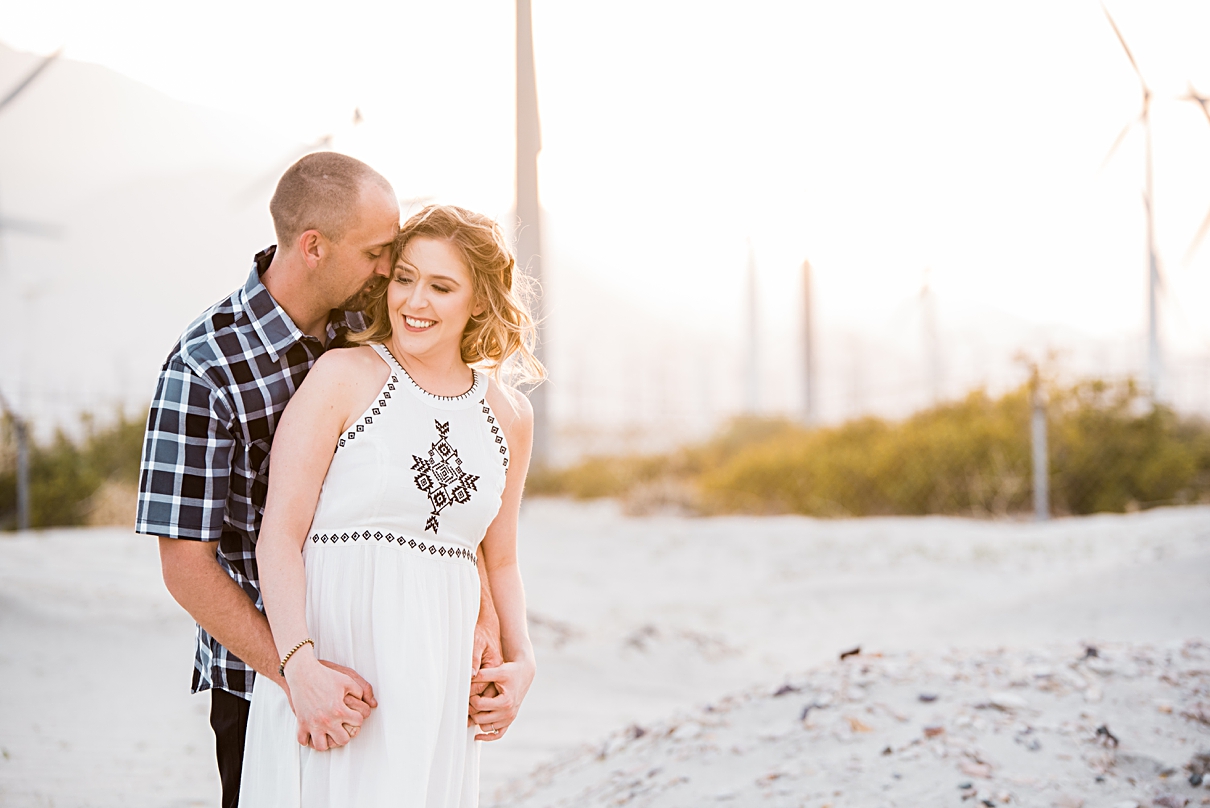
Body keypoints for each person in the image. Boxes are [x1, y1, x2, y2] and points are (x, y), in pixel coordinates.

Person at [135, 153, 509, 808]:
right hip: (264, 678)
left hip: (393, 667)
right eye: (377, 252)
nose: (391, 271)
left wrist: (481, 615)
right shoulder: (205, 366)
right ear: (314, 247)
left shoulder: (370, 321)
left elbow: (441, 485)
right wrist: (295, 670)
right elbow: (184, 565)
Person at [238, 204, 541, 806]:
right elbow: (278, 536)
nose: (414, 301)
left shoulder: (509, 415)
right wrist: (300, 669)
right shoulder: (344, 375)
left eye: (441, 286)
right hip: (336, 670)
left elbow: (500, 560)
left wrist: (522, 659)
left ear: (479, 301)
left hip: (440, 678)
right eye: (404, 277)